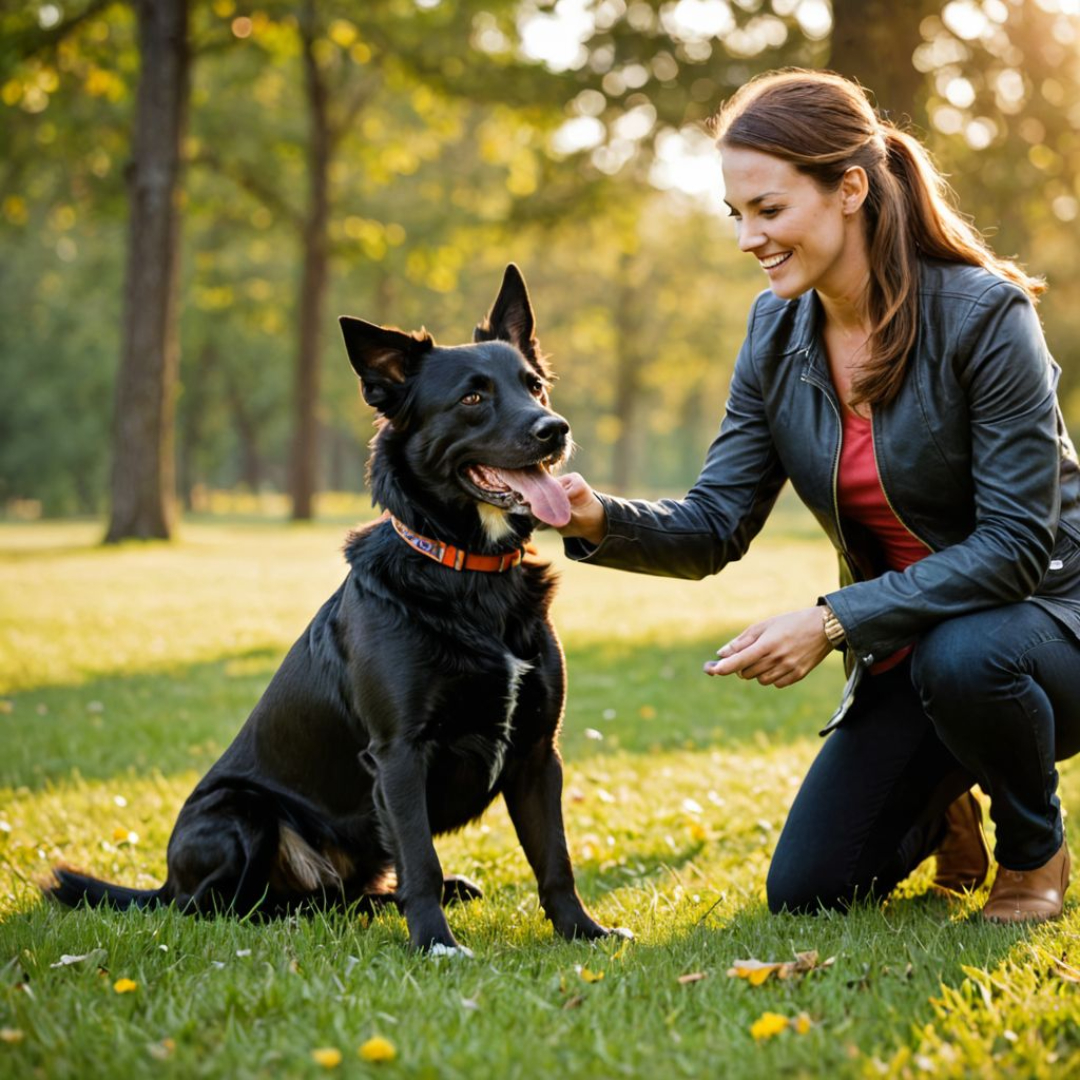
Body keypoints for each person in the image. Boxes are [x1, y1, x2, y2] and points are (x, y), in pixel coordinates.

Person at [555, 69, 1080, 924]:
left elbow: (1019, 545)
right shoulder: (775, 332)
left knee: (967, 656)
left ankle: (1033, 853)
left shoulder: (987, 316)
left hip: (1050, 625)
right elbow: (716, 523)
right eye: (737, 215)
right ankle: (948, 786)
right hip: (910, 651)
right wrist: (595, 518)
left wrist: (832, 619)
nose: (746, 239)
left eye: (768, 210)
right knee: (810, 889)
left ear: (849, 189)